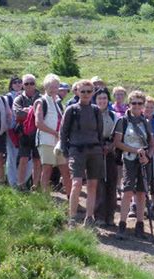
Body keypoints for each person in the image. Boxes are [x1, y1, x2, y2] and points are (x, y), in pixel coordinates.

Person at [60, 79, 104, 228]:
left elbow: (100, 132)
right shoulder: (71, 109)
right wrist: (66, 151)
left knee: (92, 184)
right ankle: (72, 218)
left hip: (94, 150)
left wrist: (101, 149)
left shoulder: (96, 110)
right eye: (83, 91)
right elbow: (63, 132)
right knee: (77, 183)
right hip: (76, 150)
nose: (85, 94)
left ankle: (89, 218)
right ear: (77, 92)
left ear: (93, 93)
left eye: (89, 91)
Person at [113, 91, 154, 239]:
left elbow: (152, 144)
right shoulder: (123, 121)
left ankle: (140, 224)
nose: (137, 106)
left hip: (143, 160)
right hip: (129, 159)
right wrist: (135, 151)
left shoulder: (146, 122)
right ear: (129, 104)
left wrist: (148, 157)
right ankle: (122, 224)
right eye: (134, 103)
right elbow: (117, 142)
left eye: (140, 103)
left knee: (142, 192)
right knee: (127, 191)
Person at [35, 74, 71, 194]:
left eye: (56, 86)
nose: (53, 88)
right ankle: (45, 198)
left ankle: (71, 198)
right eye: (51, 86)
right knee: (47, 168)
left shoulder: (58, 103)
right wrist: (55, 133)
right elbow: (38, 123)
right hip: (46, 141)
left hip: (59, 142)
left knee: (65, 169)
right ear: (45, 86)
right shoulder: (41, 101)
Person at [93, 88, 118, 227]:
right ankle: (99, 215)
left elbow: (117, 135)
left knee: (111, 184)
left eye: (104, 98)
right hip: (95, 151)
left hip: (110, 152)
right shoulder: (91, 114)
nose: (102, 101)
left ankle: (110, 215)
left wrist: (111, 146)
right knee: (99, 184)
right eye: (99, 98)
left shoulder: (113, 116)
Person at [13, 74, 42, 190]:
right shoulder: (18, 99)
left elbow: (43, 115)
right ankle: (21, 185)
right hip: (24, 134)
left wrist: (28, 110)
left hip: (38, 133)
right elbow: (18, 115)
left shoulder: (41, 98)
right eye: (26, 83)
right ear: (23, 85)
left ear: (35, 84)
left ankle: (35, 186)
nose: (29, 86)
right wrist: (34, 111)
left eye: (32, 83)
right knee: (23, 159)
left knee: (37, 160)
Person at [5, 76, 23, 187]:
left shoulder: (25, 96)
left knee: (24, 156)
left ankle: (22, 180)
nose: (17, 84)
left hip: (24, 130)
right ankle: (12, 182)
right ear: (11, 84)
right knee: (12, 156)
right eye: (15, 82)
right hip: (11, 130)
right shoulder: (7, 97)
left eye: (20, 82)